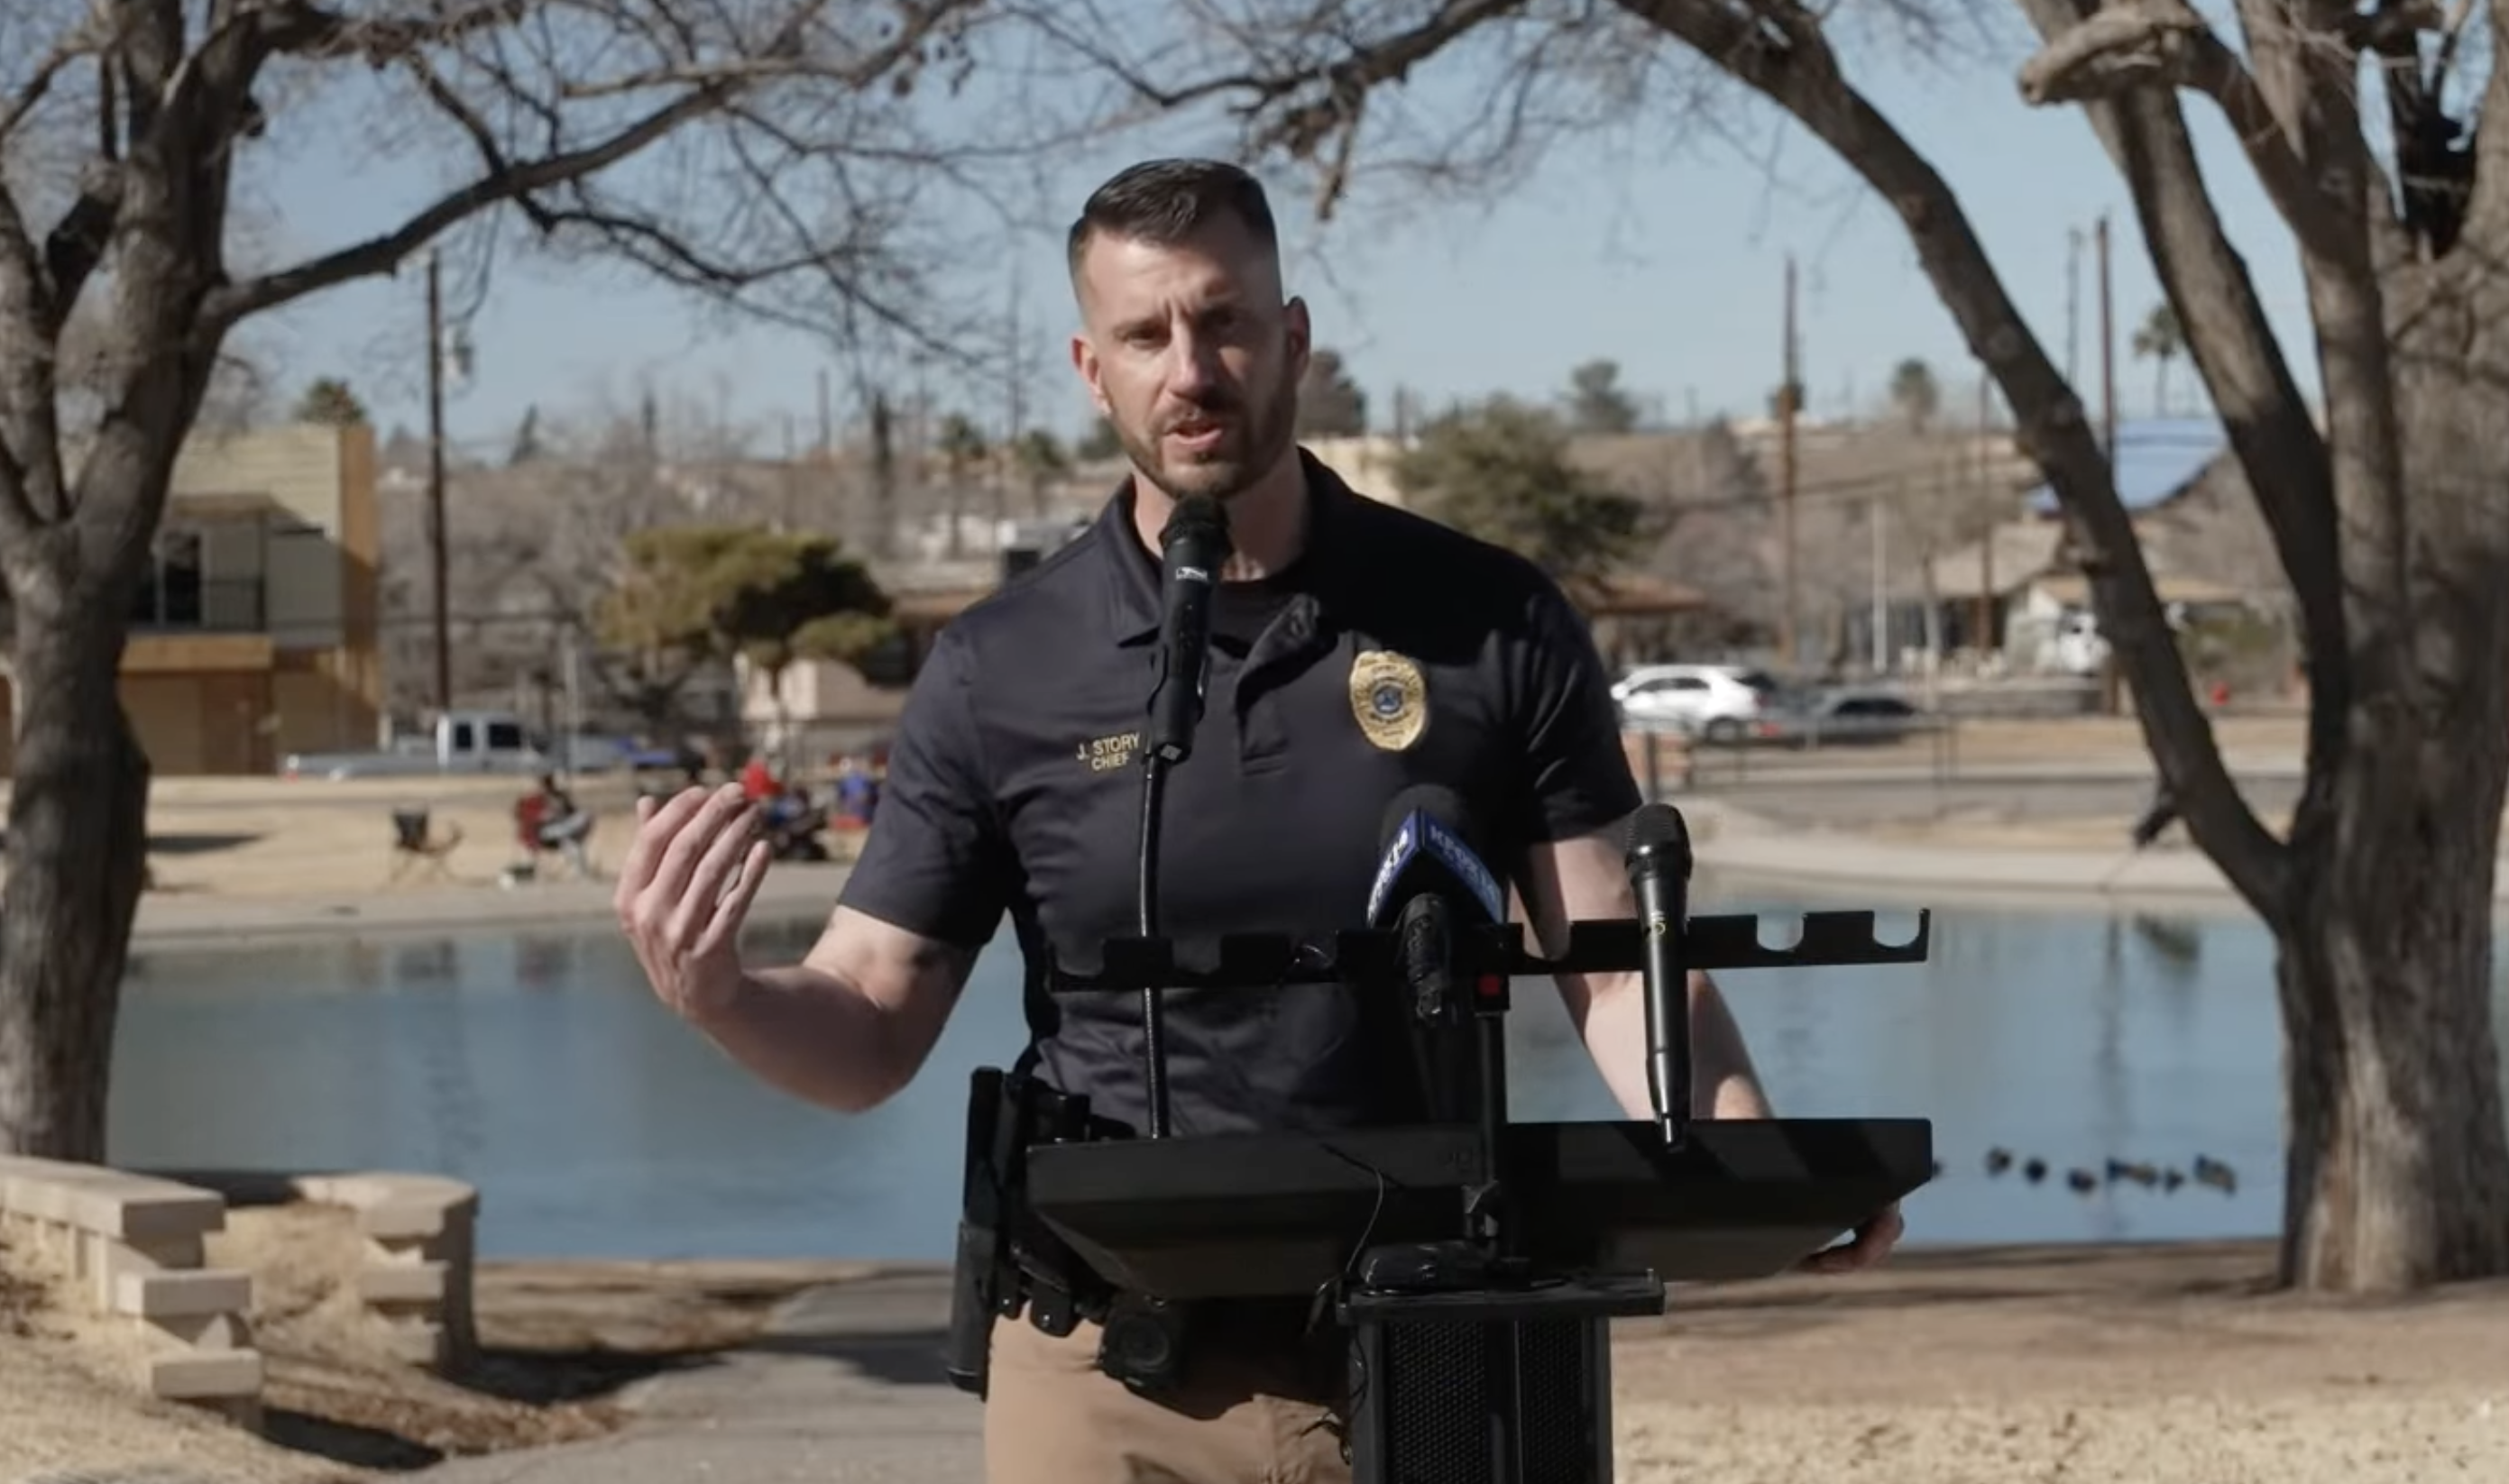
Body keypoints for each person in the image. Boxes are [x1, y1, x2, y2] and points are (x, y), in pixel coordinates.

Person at [614, 158, 1903, 1484]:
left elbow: (1617, 969)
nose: (1190, 370)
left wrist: (1751, 1160)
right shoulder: (1001, 667)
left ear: (1292, 337)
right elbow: (871, 1016)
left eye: (1223, 320)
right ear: (1091, 369)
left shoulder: (1488, 620)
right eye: (1143, 334)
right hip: (1110, 1365)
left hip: (1436, 1343)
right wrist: (723, 996)